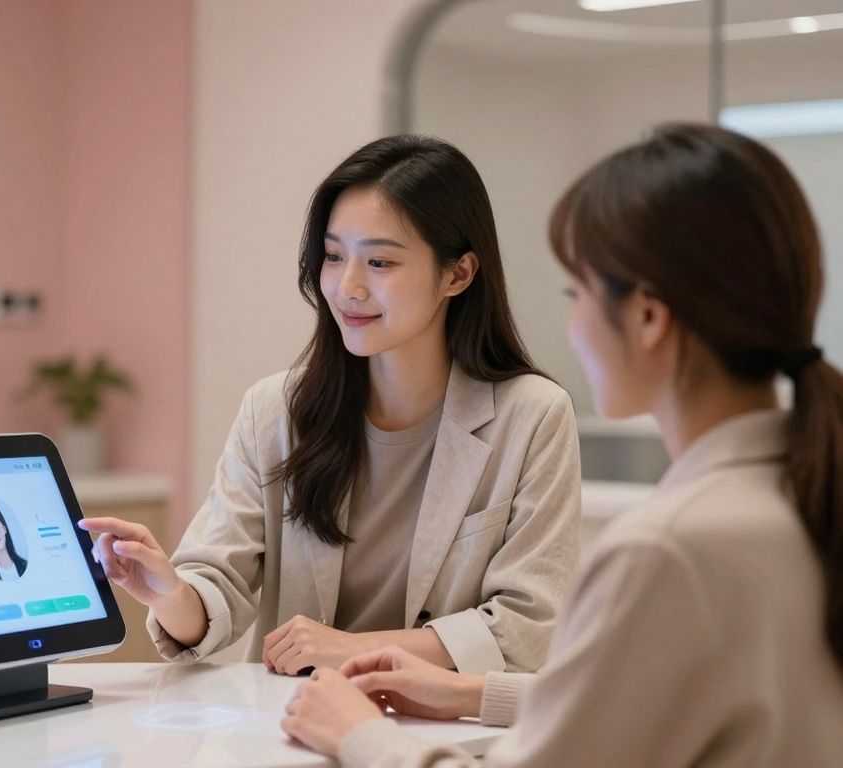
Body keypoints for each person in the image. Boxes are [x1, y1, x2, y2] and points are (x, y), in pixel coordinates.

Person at [280, 123, 843, 766]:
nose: (572, 326)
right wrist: (470, 692)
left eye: (577, 293)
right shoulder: (800, 497)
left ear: (648, 318)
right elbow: (653, 700)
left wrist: (358, 735)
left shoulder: (668, 551)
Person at [79, 135, 581, 676]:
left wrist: (353, 649)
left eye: (381, 262)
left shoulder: (533, 415)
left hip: (445, 735)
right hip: (293, 726)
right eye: (334, 256)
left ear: (457, 274)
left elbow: (529, 627)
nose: (348, 287)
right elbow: (215, 587)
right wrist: (169, 592)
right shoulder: (274, 410)